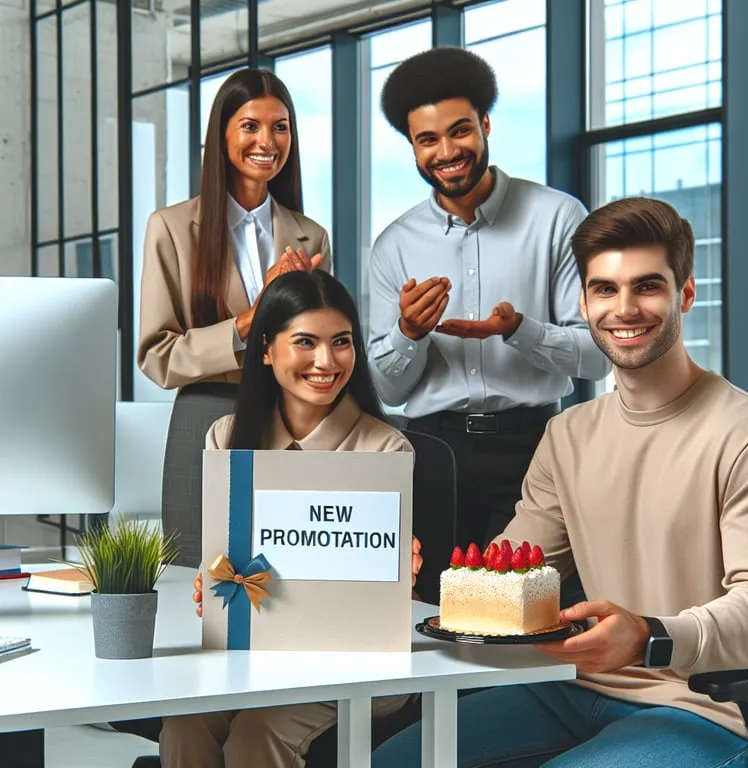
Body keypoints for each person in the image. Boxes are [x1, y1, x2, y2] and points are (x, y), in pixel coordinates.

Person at [372, 197, 748, 768]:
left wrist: (650, 635)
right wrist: (409, 587)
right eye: (605, 290)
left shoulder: (747, 435)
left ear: (685, 293)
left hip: (702, 706)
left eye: (647, 286)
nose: (624, 308)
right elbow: (508, 570)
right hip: (573, 686)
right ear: (583, 302)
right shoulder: (568, 434)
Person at [161, 269, 422, 768]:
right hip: (250, 657)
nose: (326, 361)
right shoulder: (226, 438)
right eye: (306, 342)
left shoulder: (386, 449)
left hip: (354, 661)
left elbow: (380, 604)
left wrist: (397, 575)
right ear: (266, 349)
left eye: (341, 342)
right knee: (183, 726)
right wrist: (211, 585)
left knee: (255, 736)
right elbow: (221, 561)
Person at [367, 47, 610, 549]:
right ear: (412, 147)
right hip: (432, 449)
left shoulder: (558, 219)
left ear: (485, 125)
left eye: (460, 130)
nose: (447, 151)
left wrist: (520, 331)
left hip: (535, 446)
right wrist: (408, 334)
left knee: (526, 607)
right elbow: (386, 392)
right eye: (427, 140)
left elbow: (596, 358)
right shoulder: (394, 244)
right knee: (428, 606)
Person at [138, 67, 331, 391]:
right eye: (250, 126)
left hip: (291, 422)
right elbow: (159, 358)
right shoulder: (171, 230)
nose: (267, 142)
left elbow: (321, 345)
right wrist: (248, 321)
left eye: (280, 127)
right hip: (209, 417)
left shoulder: (312, 238)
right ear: (221, 135)